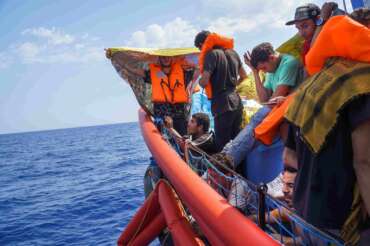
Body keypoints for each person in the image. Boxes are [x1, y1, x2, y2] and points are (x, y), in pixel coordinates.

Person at [220, 42, 301, 169]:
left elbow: (272, 102)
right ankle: (226, 156)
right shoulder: (270, 70)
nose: (264, 71)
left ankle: (227, 159)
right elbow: (263, 98)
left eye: (263, 68)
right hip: (278, 111)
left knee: (260, 115)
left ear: (272, 58)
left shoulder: (289, 64)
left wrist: (267, 103)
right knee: (257, 118)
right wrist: (255, 73)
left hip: (293, 111)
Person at [194, 31, 247, 151]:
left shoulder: (211, 55)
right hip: (236, 101)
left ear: (203, 44)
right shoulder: (233, 53)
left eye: (199, 48)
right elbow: (244, 76)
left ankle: (223, 170)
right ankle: (240, 169)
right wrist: (232, 86)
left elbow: (204, 81)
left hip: (222, 103)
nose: (201, 50)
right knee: (237, 140)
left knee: (222, 143)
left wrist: (199, 74)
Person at [122, 55, 196, 136]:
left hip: (180, 115)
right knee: (165, 133)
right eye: (163, 57)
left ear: (172, 58)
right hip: (162, 115)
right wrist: (119, 61)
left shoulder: (182, 73)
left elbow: (198, 69)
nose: (166, 59)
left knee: (183, 137)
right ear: (159, 59)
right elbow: (135, 71)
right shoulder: (153, 74)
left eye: (168, 57)